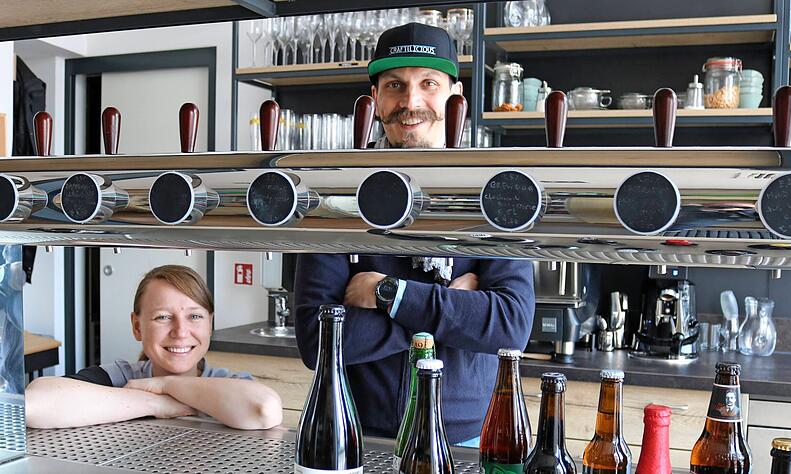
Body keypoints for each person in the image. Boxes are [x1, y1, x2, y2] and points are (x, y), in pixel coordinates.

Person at [294, 23, 535, 446]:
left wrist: (388, 293)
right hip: (354, 432)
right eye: (394, 85)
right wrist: (452, 309)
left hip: (465, 435)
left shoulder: (495, 191)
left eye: (428, 83)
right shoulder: (336, 194)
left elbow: (509, 326)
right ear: (374, 99)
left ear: (455, 96)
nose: (411, 101)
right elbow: (318, 341)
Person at [25, 265, 283, 430]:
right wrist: (157, 404)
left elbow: (265, 410)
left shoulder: (230, 384)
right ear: (137, 326)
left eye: (194, 316)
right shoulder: (120, 377)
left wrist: (165, 385)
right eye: (162, 317)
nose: (180, 331)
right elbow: (34, 404)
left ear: (210, 324)